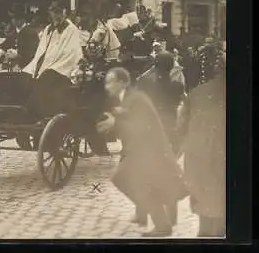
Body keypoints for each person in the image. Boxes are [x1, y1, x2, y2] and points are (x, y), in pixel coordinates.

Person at [97, 67, 188, 237]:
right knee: (134, 181)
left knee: (125, 179)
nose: (107, 86)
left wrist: (115, 123)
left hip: (147, 150)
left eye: (111, 82)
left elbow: (141, 127)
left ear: (123, 82)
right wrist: (115, 122)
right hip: (139, 149)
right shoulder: (127, 98)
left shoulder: (137, 99)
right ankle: (152, 219)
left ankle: (161, 224)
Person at [135, 52, 187, 227]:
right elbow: (185, 106)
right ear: (172, 67)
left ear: (155, 66)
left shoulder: (145, 83)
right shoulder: (177, 87)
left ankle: (141, 214)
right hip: (169, 134)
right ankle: (172, 217)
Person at [183, 51, 226, 237]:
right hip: (221, 158)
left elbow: (182, 127)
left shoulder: (197, 93)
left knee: (206, 211)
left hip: (199, 157)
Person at [22, 0, 84, 118]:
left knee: (45, 79)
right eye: (53, 12)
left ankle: (37, 115)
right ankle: (23, 113)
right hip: (44, 66)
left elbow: (71, 55)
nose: (55, 15)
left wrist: (49, 67)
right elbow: (41, 51)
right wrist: (35, 67)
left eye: (58, 12)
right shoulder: (48, 29)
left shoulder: (72, 30)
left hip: (61, 69)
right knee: (24, 76)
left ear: (65, 12)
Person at [0, 3, 40, 68]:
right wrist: (0, 50)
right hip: (12, 68)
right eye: (12, 18)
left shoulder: (31, 33)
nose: (13, 20)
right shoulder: (13, 34)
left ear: (22, 19)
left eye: (15, 18)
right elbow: (4, 45)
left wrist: (18, 55)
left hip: (26, 68)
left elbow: (32, 54)